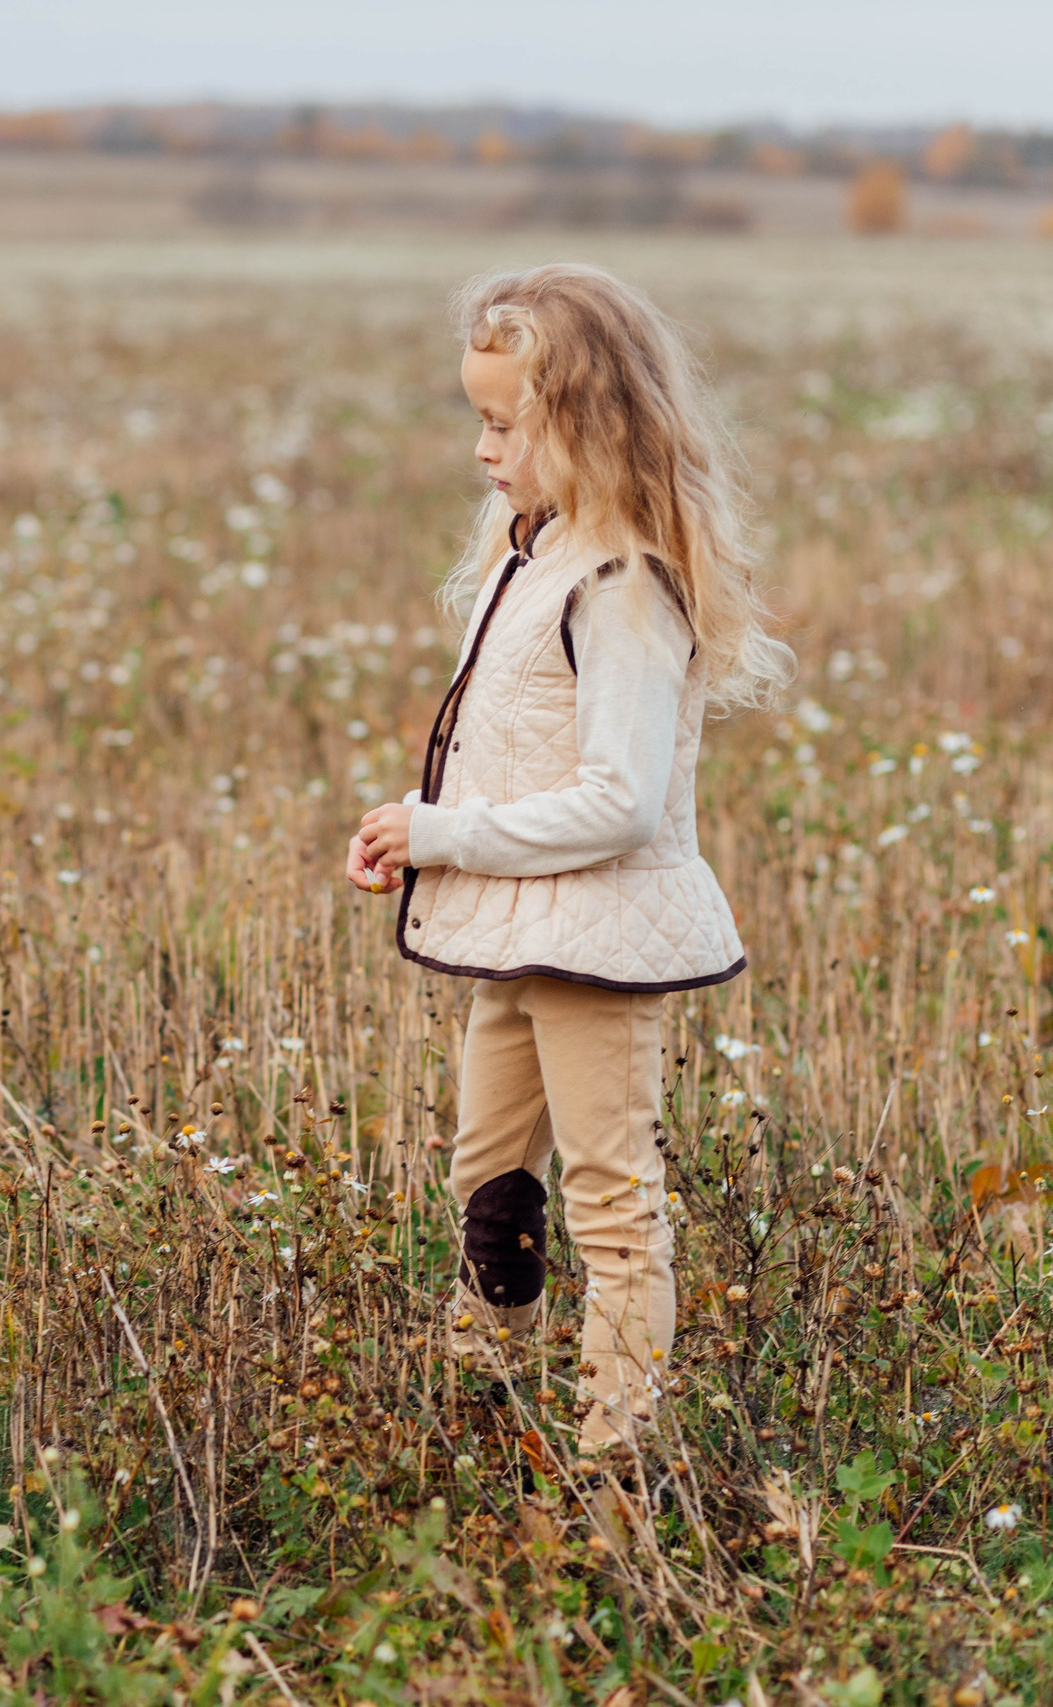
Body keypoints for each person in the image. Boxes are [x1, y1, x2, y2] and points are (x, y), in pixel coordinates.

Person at [345, 263, 793, 1456]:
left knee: (609, 1204)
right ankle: (483, 1416)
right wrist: (416, 823)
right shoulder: (528, 555)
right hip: (517, 926)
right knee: (486, 1179)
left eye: (504, 423)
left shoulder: (622, 585)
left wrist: (445, 835)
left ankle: (617, 1457)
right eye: (478, 421)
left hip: (595, 942)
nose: (484, 452)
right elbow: (517, 755)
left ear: (586, 423)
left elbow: (620, 803)